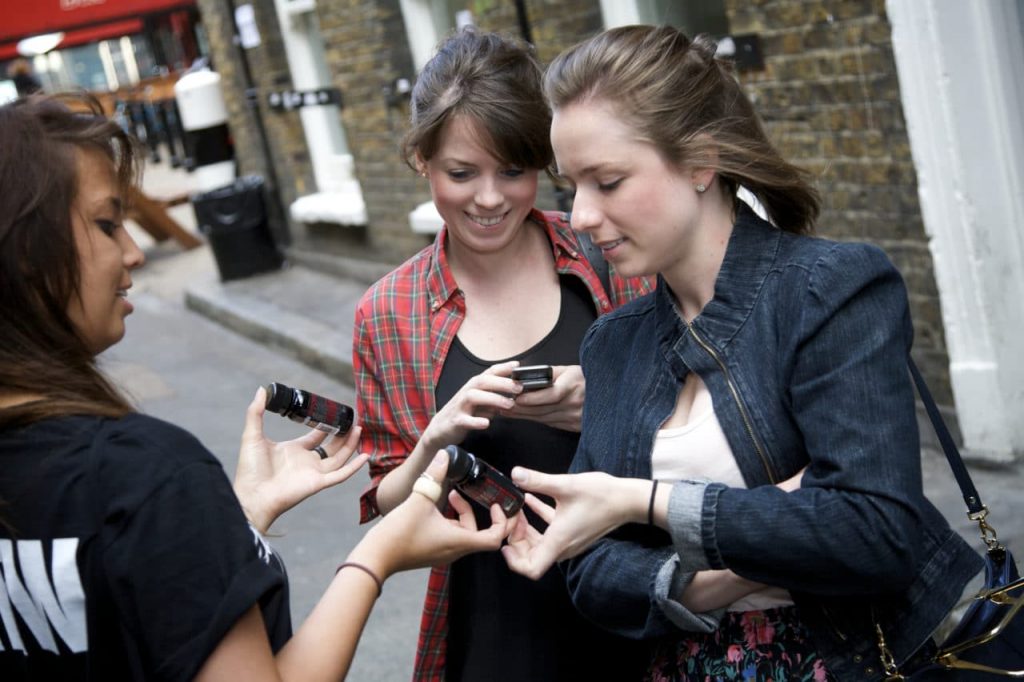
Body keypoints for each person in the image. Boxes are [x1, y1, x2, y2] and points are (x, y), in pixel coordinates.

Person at [499, 25, 984, 682]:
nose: (580, 215)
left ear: (701, 162)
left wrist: (645, 503)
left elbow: (876, 533)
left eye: (607, 180)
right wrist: (716, 575)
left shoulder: (830, 290)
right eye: (571, 186)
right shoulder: (614, 343)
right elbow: (587, 570)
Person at [0, 92, 510, 681]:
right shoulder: (146, 476)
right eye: (107, 223)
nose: (134, 252)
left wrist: (238, 515)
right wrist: (379, 553)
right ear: (26, 250)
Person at [352, 27, 654, 681]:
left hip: (647, 608)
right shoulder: (387, 314)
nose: (489, 198)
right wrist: (437, 440)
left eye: (513, 171)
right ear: (421, 160)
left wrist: (602, 404)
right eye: (462, 172)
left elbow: (715, 424)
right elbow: (386, 506)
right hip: (498, 633)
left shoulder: (613, 258)